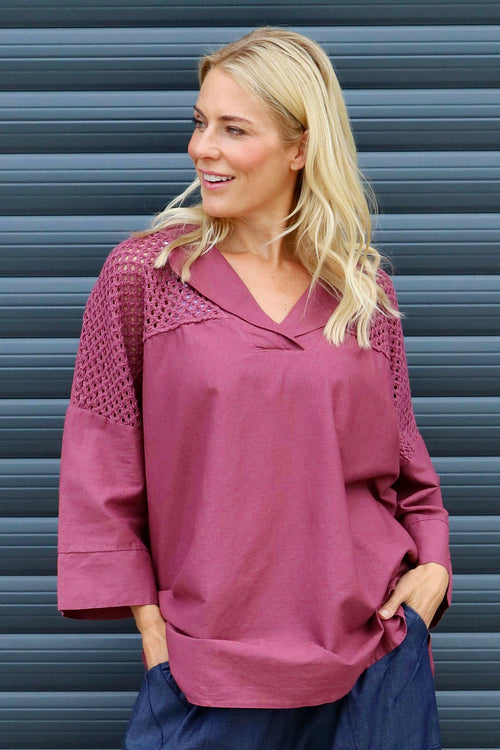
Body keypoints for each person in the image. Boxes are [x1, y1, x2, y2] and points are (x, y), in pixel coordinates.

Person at [57, 26, 452, 750]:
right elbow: (99, 471)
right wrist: (155, 637)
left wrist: (431, 574)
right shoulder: (146, 277)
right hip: (206, 676)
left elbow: (403, 466)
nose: (201, 148)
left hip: (371, 667)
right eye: (200, 123)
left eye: (233, 129)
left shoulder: (361, 293)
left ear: (300, 148)